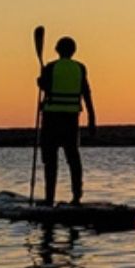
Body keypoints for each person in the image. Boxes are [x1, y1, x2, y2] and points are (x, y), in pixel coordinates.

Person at [37, 36, 95, 205]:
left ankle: (49, 199)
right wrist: (92, 118)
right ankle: (77, 196)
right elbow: (86, 93)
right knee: (73, 158)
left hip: (51, 118)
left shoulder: (50, 67)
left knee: (50, 160)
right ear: (73, 51)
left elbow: (46, 87)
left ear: (57, 50)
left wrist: (40, 82)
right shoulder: (80, 68)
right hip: (71, 119)